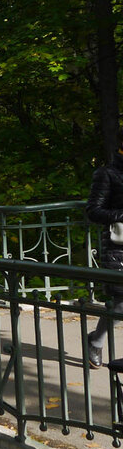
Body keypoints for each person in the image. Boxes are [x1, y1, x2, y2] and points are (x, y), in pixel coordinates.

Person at [85, 129, 123, 369]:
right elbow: (93, 211)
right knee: (121, 300)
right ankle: (97, 342)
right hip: (118, 246)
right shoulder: (107, 173)